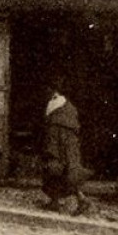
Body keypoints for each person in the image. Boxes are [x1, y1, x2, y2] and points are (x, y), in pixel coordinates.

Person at [41, 85, 91, 216]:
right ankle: (56, 201)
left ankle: (80, 200)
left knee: (55, 170)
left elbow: (53, 134)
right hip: (70, 147)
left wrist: (50, 150)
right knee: (68, 171)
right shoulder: (69, 108)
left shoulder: (54, 110)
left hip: (59, 147)